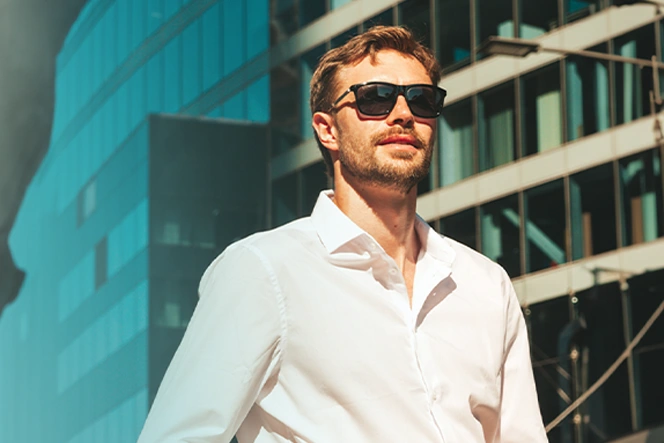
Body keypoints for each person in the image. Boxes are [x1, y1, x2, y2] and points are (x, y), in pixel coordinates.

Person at [138, 26, 547, 442]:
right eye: (375, 98)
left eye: (422, 100)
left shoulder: (484, 284)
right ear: (327, 129)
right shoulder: (264, 271)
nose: (404, 114)